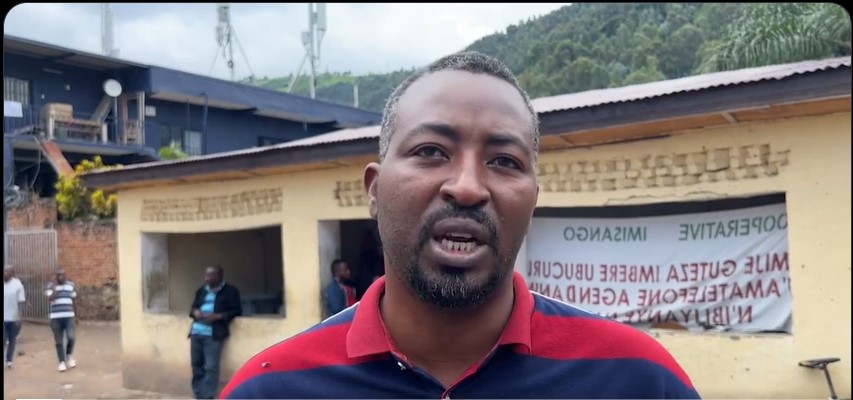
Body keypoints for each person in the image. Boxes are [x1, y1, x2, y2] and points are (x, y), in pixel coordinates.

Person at [220, 51, 701, 399]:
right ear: (374, 189)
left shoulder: (638, 378)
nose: (468, 187)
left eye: (505, 160)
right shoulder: (271, 387)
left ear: (533, 201)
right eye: (431, 151)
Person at [188, 266, 242, 399]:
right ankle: (198, 393)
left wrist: (219, 316)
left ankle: (208, 395)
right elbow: (193, 307)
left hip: (214, 333)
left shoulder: (230, 291)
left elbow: (237, 311)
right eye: (206, 275)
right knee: (196, 364)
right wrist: (195, 312)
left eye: (210, 275)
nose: (207, 278)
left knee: (211, 366)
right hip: (196, 332)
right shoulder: (202, 290)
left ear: (219, 276)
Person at [45, 268, 76, 372]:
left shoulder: (71, 285)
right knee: (59, 341)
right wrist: (54, 286)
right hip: (56, 318)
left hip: (69, 317)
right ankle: (61, 362)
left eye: (62, 275)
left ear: (66, 276)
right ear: (56, 276)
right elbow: (50, 299)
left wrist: (75, 314)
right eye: (58, 275)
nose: (61, 277)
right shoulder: (50, 286)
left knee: (71, 337)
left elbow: (74, 300)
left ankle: (69, 355)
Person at [4, 265, 26, 369]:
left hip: (13, 318)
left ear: (12, 273)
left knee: (12, 340)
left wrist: (19, 318)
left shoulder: (18, 285)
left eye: (7, 272)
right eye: (4, 271)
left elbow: (21, 303)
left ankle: (9, 360)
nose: (5, 273)